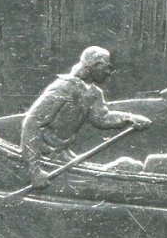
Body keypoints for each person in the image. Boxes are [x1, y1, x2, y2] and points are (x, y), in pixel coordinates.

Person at [21, 46, 150, 188]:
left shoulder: (94, 93)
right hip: (43, 154)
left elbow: (102, 118)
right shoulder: (64, 87)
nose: (108, 72)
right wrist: (34, 171)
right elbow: (32, 123)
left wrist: (130, 118)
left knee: (124, 165)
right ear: (95, 65)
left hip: (62, 154)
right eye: (107, 67)